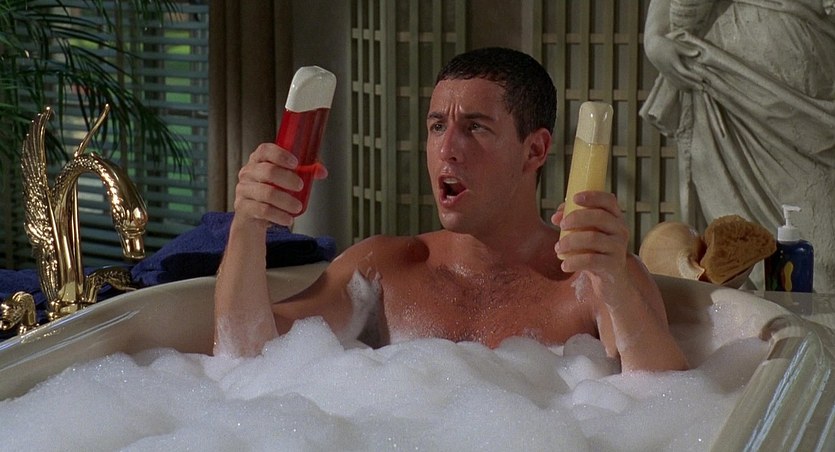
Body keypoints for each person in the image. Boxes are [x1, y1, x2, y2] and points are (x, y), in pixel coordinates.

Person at [214, 47, 688, 372]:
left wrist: (615, 285)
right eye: (437, 126)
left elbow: (663, 401)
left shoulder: (592, 281)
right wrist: (247, 226)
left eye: (476, 127)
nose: (447, 149)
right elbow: (247, 357)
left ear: (534, 150)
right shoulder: (384, 269)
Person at [641, 0, 835, 292]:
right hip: (724, 81)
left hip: (812, 80)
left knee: (824, 253)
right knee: (737, 252)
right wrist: (654, 36)